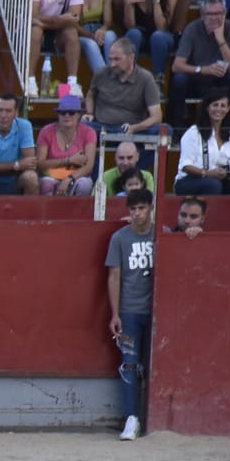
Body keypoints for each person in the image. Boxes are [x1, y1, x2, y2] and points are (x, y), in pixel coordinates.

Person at [104, 189, 153, 441]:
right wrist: (115, 313)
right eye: (133, 209)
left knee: (152, 365)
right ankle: (131, 418)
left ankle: (146, 418)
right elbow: (114, 276)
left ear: (151, 209)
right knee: (130, 365)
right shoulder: (120, 238)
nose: (137, 213)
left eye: (141, 208)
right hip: (129, 311)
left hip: (157, 312)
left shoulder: (163, 234)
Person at [168, 0, 230, 131]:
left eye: (218, 14)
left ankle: (229, 128)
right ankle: (177, 129)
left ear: (224, 15)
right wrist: (203, 70)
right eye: (210, 14)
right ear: (202, 15)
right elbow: (176, 66)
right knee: (179, 79)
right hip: (196, 80)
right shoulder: (192, 28)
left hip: (220, 81)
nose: (214, 18)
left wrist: (221, 40)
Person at [173, 89, 230, 194]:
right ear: (207, 107)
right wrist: (208, 173)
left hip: (218, 180)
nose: (219, 109)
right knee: (213, 185)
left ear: (228, 109)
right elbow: (185, 166)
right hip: (189, 180)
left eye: (223, 106)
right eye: (215, 105)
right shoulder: (194, 132)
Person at [85, 33, 163, 136]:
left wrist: (135, 128)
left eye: (117, 59)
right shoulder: (101, 73)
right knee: (81, 127)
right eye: (110, 59)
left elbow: (156, 117)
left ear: (131, 57)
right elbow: (90, 95)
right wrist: (89, 113)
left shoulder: (145, 78)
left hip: (132, 128)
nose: (112, 64)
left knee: (163, 130)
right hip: (102, 127)